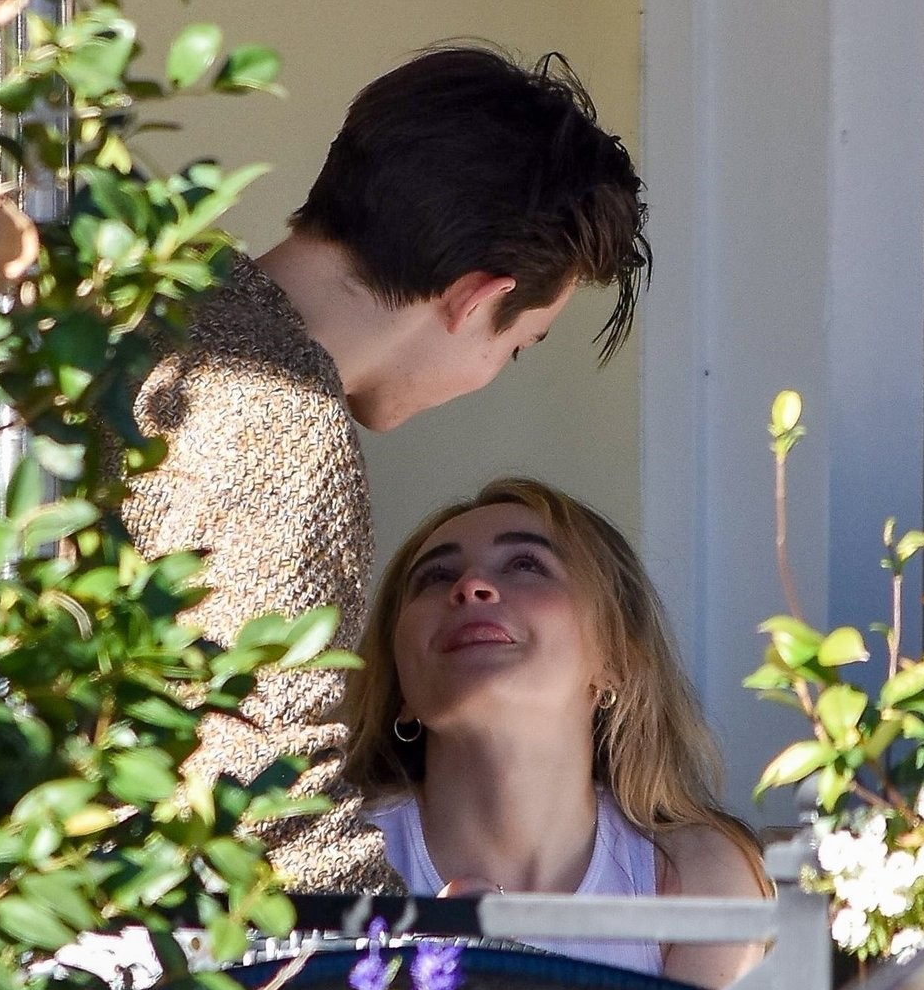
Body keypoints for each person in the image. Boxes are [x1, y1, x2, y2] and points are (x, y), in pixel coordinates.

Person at [123, 47, 650, 893]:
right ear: (476, 299)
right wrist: (421, 952)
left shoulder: (148, 307)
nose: (491, 374)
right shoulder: (284, 422)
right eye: (518, 347)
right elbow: (265, 804)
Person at [344, 477, 767, 987]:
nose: (470, 586)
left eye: (526, 565)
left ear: (615, 658)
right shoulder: (335, 854)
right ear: (400, 687)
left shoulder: (693, 874)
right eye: (435, 576)